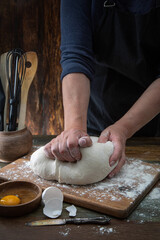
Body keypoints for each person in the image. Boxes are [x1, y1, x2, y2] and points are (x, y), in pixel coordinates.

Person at [44, 0, 160, 178]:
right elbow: (76, 56)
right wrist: (75, 130)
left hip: (154, 123)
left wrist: (123, 128)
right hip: (96, 116)